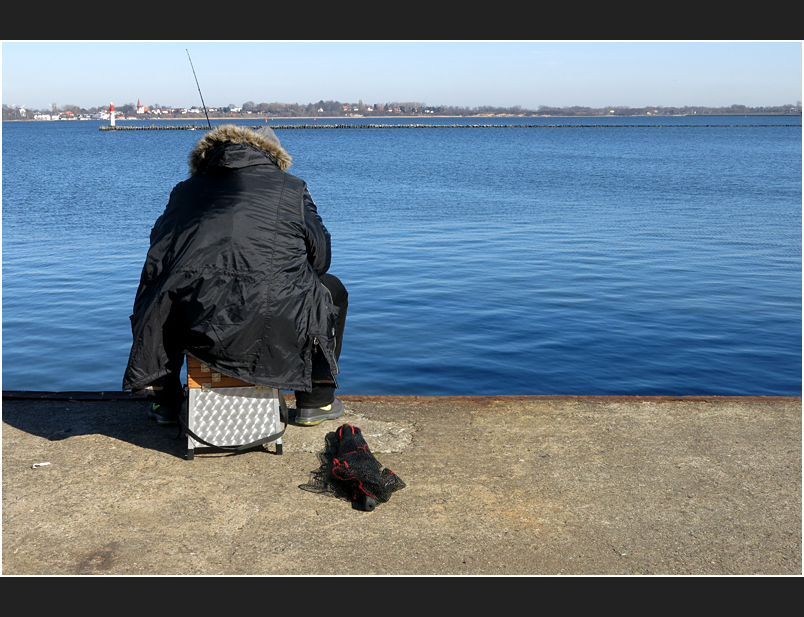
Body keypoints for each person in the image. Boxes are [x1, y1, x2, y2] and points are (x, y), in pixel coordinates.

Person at [122, 124, 347, 427]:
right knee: (332, 289)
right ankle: (315, 402)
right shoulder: (292, 188)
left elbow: (158, 256)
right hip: (273, 315)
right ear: (274, 157)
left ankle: (165, 399)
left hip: (196, 320)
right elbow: (321, 261)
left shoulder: (184, 191)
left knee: (161, 289)